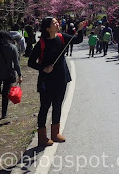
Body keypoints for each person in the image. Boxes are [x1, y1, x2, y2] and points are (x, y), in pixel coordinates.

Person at [28, 17, 87, 147]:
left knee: (58, 105)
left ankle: (56, 133)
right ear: (48, 28)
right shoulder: (41, 44)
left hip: (61, 78)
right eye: (54, 23)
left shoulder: (61, 37)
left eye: (56, 22)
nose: (57, 23)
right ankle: (42, 137)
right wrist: (44, 68)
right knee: (44, 107)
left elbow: (77, 40)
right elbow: (30, 62)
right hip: (46, 80)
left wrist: (80, 30)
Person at [0, 30, 22, 123]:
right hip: (8, 73)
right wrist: (20, 75)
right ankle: (4, 113)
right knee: (5, 94)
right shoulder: (12, 48)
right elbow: (16, 63)